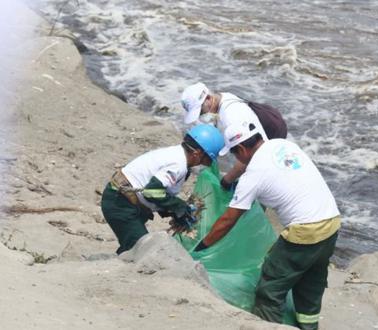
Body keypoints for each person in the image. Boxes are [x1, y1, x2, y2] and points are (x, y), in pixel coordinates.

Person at [194, 121, 340, 330]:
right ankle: (309, 327)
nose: (236, 159)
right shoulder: (283, 145)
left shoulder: (254, 174)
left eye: (235, 154)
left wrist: (202, 247)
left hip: (305, 232)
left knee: (270, 288)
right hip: (332, 222)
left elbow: (228, 219)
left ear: (242, 149)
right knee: (311, 284)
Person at [100, 124, 224, 254]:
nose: (205, 164)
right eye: (207, 160)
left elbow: (158, 192)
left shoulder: (177, 154)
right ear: (197, 153)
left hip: (127, 201)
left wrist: (173, 212)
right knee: (141, 250)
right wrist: (178, 206)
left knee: (133, 244)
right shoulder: (178, 164)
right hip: (120, 203)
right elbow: (152, 192)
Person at [181, 82, 287, 190]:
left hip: (270, 144)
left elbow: (251, 153)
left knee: (261, 187)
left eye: (200, 111)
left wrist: (227, 180)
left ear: (208, 98)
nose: (200, 116)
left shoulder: (232, 116)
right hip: (262, 137)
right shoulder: (222, 97)